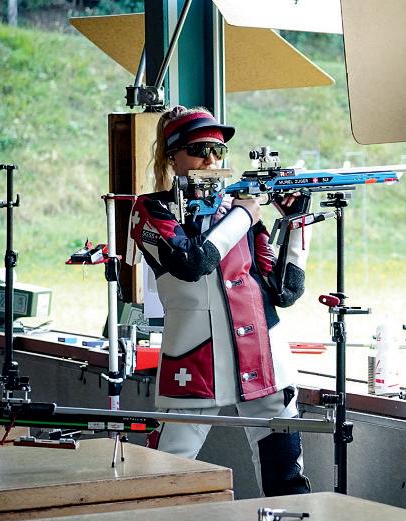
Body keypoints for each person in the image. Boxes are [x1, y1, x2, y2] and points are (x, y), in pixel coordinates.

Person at [131, 105, 312, 496]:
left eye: (218, 151)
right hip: (195, 363)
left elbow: (285, 290)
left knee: (287, 483)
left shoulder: (237, 211)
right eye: (199, 150)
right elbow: (192, 262)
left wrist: (295, 222)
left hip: (264, 362)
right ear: (172, 157)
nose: (211, 160)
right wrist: (244, 215)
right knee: (162, 485)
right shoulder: (151, 208)